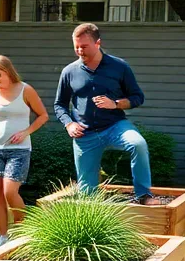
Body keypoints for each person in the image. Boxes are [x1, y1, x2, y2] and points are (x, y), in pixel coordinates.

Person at [53, 23, 162, 205]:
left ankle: (144, 195)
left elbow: (137, 97)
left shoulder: (119, 67)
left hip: (115, 126)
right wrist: (69, 124)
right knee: (87, 196)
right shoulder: (69, 72)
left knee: (138, 144)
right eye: (76, 47)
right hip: (85, 133)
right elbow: (59, 105)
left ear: (98, 43)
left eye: (84, 46)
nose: (80, 51)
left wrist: (116, 104)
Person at [0, 55, 48, 249]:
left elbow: (43, 116)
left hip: (19, 150)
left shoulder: (26, 90)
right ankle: (3, 238)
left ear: (8, 72)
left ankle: (23, 232)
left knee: (10, 191)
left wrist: (26, 132)